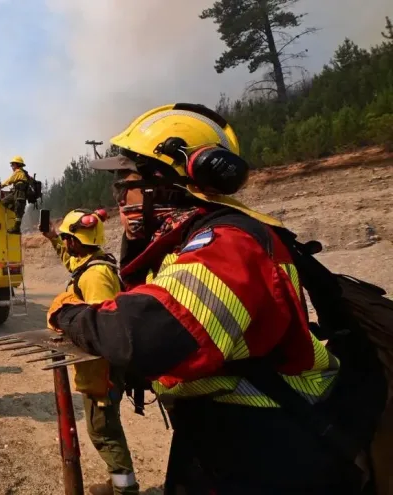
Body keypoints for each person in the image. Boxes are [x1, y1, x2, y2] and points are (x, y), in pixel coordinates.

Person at [46, 103, 383, 494]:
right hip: (223, 429)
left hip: (270, 443)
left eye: (127, 183)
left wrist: (68, 314)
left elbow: (147, 333)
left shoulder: (229, 243)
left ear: (165, 182)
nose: (120, 197)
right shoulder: (190, 241)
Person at [44, 209, 139, 495]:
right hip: (100, 366)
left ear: (75, 240)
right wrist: (52, 237)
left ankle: (125, 489)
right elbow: (71, 262)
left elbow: (103, 327)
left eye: (66, 238)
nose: (65, 243)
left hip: (102, 369)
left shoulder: (96, 276)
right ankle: (118, 481)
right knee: (106, 426)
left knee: (103, 430)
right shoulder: (90, 262)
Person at [0, 155, 29, 234]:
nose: (12, 166)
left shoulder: (18, 172)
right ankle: (17, 210)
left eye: (13, 164)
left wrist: (1, 185)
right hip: (16, 192)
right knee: (4, 201)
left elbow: (10, 180)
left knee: (18, 212)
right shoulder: (21, 172)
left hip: (20, 193)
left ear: (17, 164)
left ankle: (16, 229)